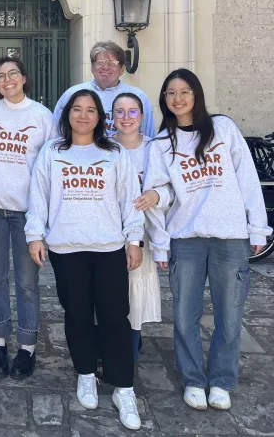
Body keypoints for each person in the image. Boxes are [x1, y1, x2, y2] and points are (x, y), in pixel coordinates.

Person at [143, 69, 271, 411]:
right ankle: (193, 379)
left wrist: (258, 227)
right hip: (186, 239)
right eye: (171, 93)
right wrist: (160, 243)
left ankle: (221, 380)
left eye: (185, 91)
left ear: (196, 95)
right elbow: (157, 195)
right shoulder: (160, 145)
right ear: (164, 100)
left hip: (230, 237)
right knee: (185, 315)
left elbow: (247, 178)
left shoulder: (223, 129)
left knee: (230, 314)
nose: (178, 98)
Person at [26, 89, 144, 431]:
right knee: (76, 315)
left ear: (99, 116)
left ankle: (124, 387)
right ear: (68, 115)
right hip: (66, 248)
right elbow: (38, 197)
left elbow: (129, 200)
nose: (83, 115)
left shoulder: (115, 153)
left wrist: (134, 239)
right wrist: (35, 235)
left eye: (90, 110)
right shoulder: (52, 152)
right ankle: (86, 373)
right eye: (77, 109)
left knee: (115, 317)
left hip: (108, 247)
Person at [0, 56, 56, 380]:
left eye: (12, 74)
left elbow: (50, 168)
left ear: (23, 78)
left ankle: (26, 347)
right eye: (0, 76)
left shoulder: (41, 116)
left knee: (27, 283)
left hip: (26, 212)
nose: (7, 80)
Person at [112, 93, 165, 362]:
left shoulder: (155, 149)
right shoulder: (105, 148)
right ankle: (106, 347)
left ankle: (129, 351)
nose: (126, 118)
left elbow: (172, 188)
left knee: (135, 293)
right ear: (112, 117)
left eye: (132, 112)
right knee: (112, 291)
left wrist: (156, 195)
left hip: (142, 232)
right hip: (110, 231)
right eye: (120, 112)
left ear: (142, 116)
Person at [53, 41, 155, 137]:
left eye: (112, 63)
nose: (105, 67)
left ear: (122, 69)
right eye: (100, 62)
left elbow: (148, 134)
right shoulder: (73, 93)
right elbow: (56, 131)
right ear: (92, 68)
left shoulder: (137, 96)